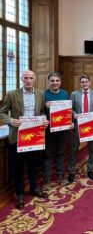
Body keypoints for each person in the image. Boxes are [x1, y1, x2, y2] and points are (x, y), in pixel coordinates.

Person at [0, 70, 48, 209]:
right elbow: (2, 112)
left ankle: (34, 187)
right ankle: (19, 193)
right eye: (26, 78)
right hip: (17, 137)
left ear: (35, 79)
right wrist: (10, 120)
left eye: (31, 78)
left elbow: (41, 112)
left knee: (33, 165)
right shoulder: (12, 94)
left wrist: (44, 119)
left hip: (34, 137)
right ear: (22, 79)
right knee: (17, 167)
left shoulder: (40, 94)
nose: (28, 80)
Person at [68, 75, 93, 183]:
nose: (85, 83)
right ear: (80, 83)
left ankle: (90, 170)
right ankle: (71, 172)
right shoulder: (74, 94)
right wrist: (74, 114)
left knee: (91, 149)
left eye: (86, 81)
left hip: (91, 125)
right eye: (82, 82)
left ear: (90, 83)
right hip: (78, 125)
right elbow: (70, 109)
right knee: (73, 149)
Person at [43, 72, 70, 191]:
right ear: (49, 82)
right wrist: (44, 106)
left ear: (60, 82)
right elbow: (38, 111)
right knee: (48, 155)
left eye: (57, 81)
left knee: (60, 153)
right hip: (48, 130)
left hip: (62, 130)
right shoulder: (43, 94)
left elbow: (68, 110)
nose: (55, 83)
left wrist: (70, 121)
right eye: (52, 81)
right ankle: (47, 180)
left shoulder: (65, 93)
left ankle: (60, 176)